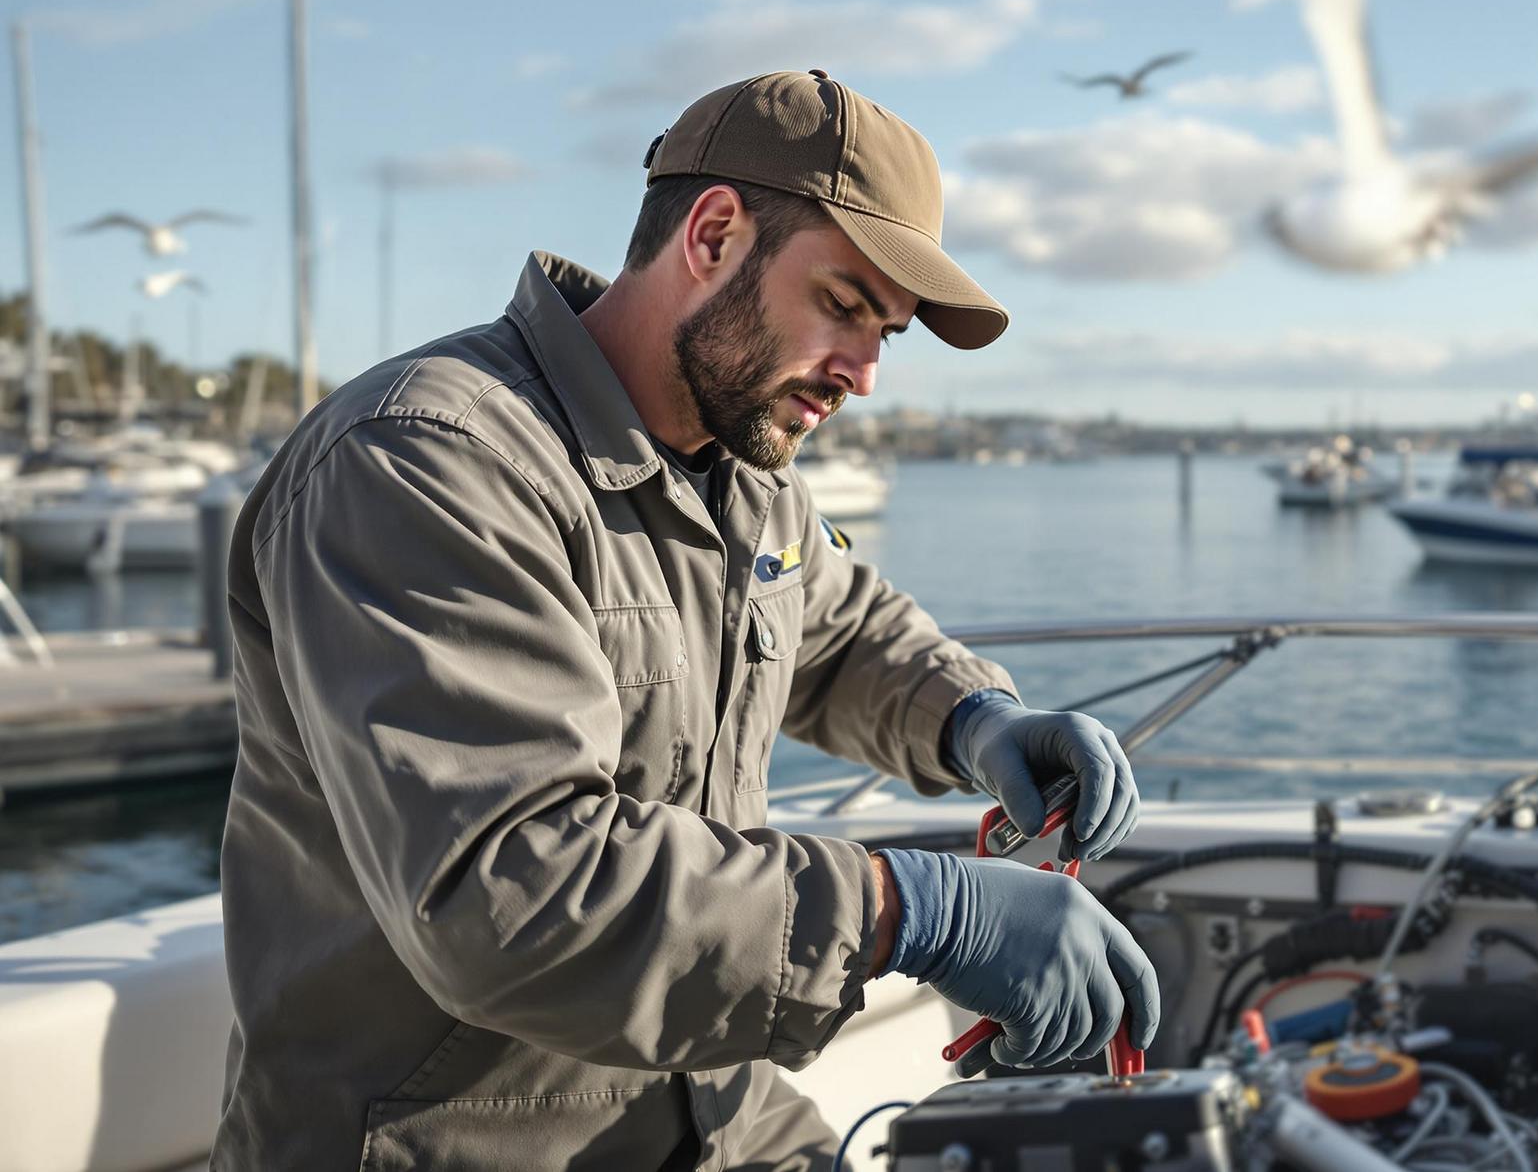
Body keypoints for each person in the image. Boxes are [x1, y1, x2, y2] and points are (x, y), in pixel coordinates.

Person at [212, 70, 1158, 1170]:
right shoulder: (425, 461)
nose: (862, 372)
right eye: (846, 306)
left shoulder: (744, 467)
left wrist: (980, 717)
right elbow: (516, 890)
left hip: (713, 1114)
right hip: (451, 1144)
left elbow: (840, 628)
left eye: (885, 332)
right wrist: (918, 909)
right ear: (712, 234)